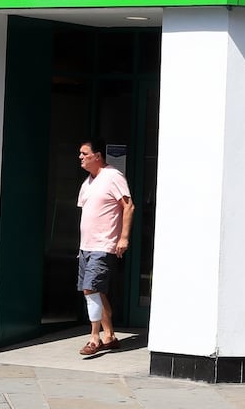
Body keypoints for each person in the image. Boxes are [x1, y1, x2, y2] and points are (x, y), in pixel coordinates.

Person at [76, 138, 134, 356]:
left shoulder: (112, 177)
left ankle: (94, 338)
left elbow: (128, 206)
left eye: (84, 153)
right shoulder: (87, 183)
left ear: (97, 156)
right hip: (86, 247)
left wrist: (123, 238)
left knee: (91, 289)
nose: (80, 157)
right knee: (95, 291)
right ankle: (109, 335)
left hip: (103, 245)